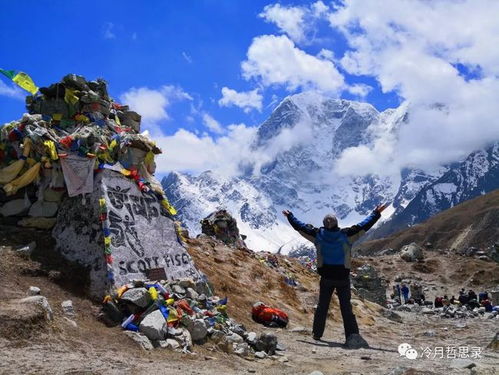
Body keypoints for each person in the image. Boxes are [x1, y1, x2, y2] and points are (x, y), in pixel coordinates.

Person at [282, 203, 387, 349]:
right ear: (337, 224)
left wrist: (290, 216)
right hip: (343, 278)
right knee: (346, 308)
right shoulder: (347, 235)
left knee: (322, 306)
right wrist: (376, 213)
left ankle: (317, 333)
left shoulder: (317, 235)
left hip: (326, 278)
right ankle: (352, 335)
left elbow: (301, 227)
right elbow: (364, 226)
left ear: (324, 225)